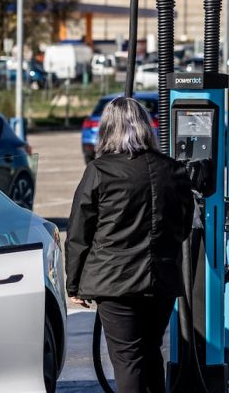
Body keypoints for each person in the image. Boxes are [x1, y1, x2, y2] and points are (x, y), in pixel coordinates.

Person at [65, 97, 194, 393]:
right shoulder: (173, 170)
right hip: (160, 280)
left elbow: (79, 231)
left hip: (114, 282)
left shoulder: (100, 171)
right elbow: (184, 226)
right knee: (150, 352)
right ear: (147, 128)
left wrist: (74, 284)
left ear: (108, 129)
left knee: (128, 359)